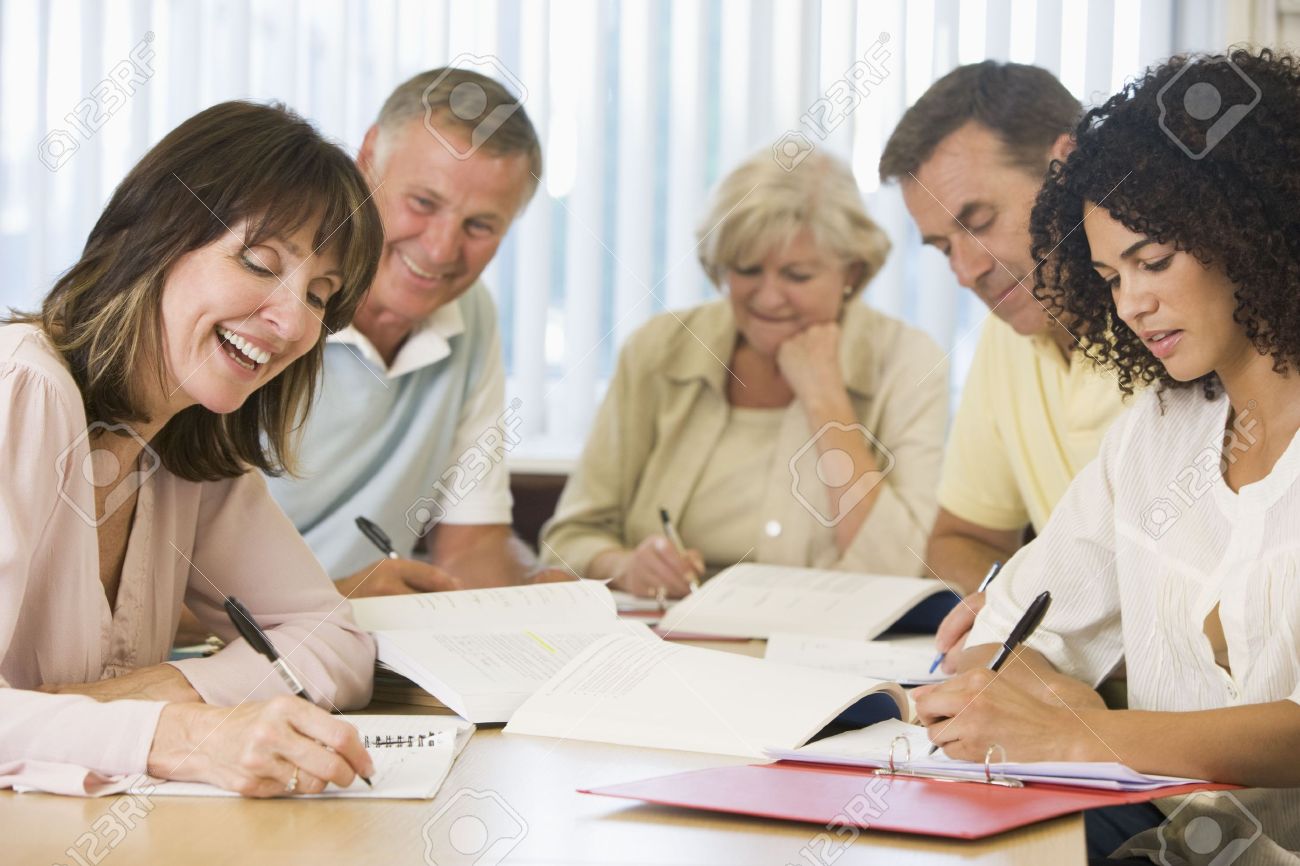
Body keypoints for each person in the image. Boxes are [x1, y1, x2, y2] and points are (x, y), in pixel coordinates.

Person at [917, 49, 1300, 863]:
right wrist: (1032, 697)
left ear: (1253, 230)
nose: (1132, 305)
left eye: (1153, 263)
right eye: (1108, 275)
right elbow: (1005, 636)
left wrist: (1076, 731)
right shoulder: (1155, 435)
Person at [0, 101, 383, 797]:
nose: (294, 321)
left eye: (321, 296)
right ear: (153, 237)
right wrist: (178, 734)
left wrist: (168, 687)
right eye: (261, 263)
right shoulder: (19, 389)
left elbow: (334, 641)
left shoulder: (189, 443)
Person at [540, 148, 948, 598]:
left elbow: (900, 569)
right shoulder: (659, 349)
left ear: (851, 270)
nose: (769, 298)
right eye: (747, 270)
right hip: (666, 639)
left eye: (797, 275)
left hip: (823, 648)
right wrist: (626, 566)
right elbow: (568, 540)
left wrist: (824, 398)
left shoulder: (907, 361)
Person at [264, 68, 560, 598]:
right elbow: (158, 581)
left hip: (357, 645)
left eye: (480, 226)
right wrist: (336, 601)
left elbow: (471, 546)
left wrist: (538, 592)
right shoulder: (268, 296)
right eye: (423, 203)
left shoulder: (473, 316)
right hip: (218, 649)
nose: (442, 250)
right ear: (368, 157)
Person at [878, 61, 1133, 666]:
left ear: (1066, 166)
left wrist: (1039, 633)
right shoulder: (1010, 327)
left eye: (979, 222)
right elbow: (959, 538)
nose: (965, 270)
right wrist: (1003, 608)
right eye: (943, 247)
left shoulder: (1175, 325)